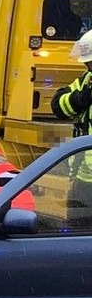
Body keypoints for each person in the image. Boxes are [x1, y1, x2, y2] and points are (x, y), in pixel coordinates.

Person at [51, 29, 92, 222]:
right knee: (77, 231)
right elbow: (58, 105)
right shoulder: (86, 80)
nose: (88, 66)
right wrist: (80, 99)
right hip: (83, 179)